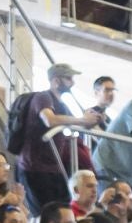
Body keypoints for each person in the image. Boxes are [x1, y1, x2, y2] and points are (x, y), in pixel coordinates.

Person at [17, 63, 106, 212]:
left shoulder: (61, 105)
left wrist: (92, 120)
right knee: (45, 213)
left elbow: (75, 125)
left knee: (62, 211)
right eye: (68, 78)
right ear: (56, 80)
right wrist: (82, 120)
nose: (72, 82)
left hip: (52, 167)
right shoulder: (43, 97)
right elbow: (49, 119)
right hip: (35, 168)